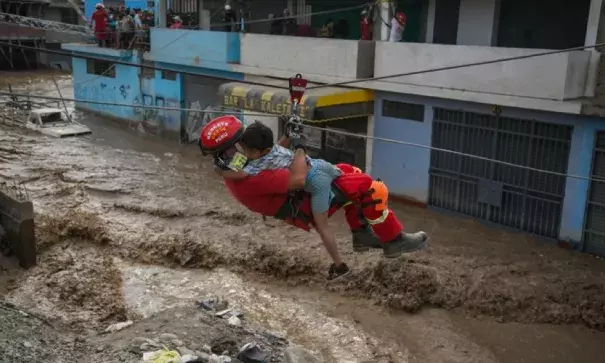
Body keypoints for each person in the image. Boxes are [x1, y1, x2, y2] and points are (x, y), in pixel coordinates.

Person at [199, 115, 429, 280]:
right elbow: (298, 177)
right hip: (303, 203)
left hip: (302, 190)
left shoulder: (243, 163)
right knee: (371, 188)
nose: (243, 147)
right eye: (238, 145)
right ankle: (393, 241)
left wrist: (288, 135)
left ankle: (361, 234)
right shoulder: (251, 179)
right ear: (227, 153)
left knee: (351, 172)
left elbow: (269, 154)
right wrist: (299, 145)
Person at [216, 121, 350, 280]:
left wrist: (219, 170)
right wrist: (289, 135)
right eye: (242, 148)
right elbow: (280, 144)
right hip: (320, 165)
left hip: (317, 182)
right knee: (350, 181)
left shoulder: (254, 166)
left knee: (322, 227)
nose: (244, 153)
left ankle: (340, 267)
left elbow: (239, 174)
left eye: (248, 151)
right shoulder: (271, 148)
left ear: (260, 151)